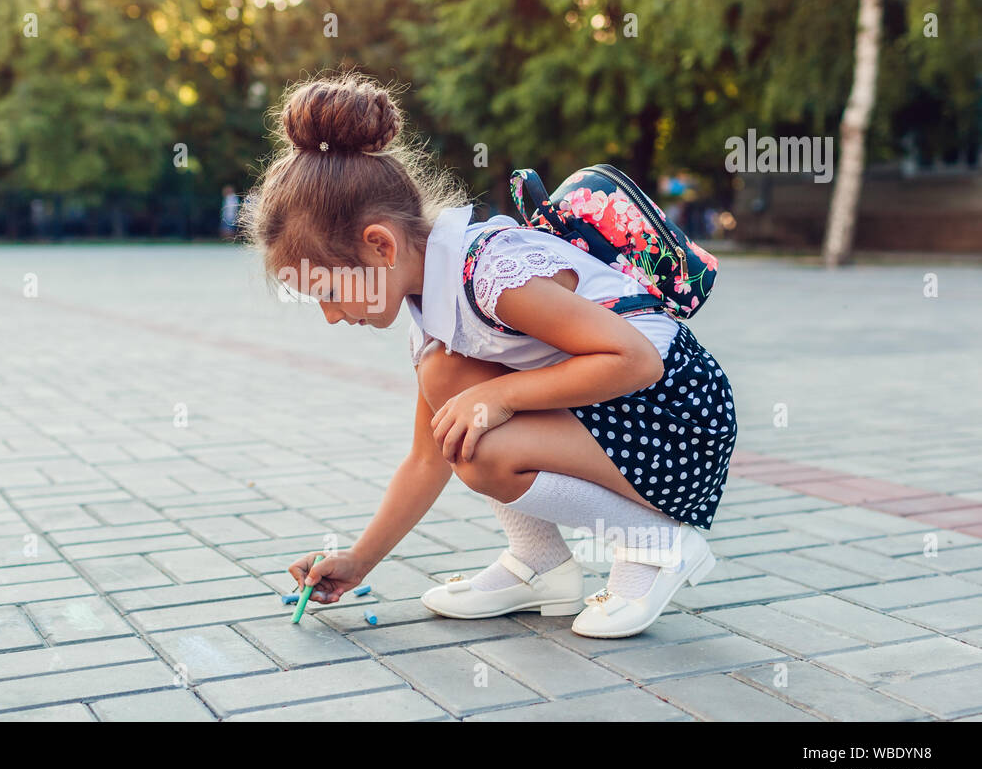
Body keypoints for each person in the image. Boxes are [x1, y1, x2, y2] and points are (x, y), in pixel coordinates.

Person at [239, 73, 736, 639]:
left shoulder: (494, 274)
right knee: (449, 386)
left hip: (676, 416)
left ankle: (657, 543)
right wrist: (358, 560)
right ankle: (540, 566)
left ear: (380, 245)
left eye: (327, 292)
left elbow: (638, 361)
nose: (330, 315)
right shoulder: (432, 312)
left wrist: (499, 395)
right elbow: (427, 459)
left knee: (480, 446)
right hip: (618, 416)